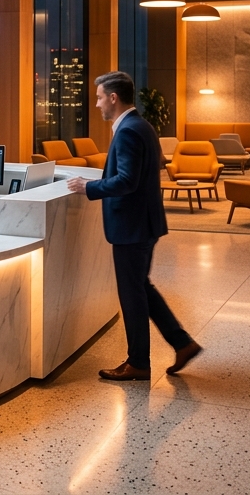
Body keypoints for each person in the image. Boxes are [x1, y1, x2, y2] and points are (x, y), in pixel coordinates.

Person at [67, 72, 201, 381]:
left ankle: (139, 363)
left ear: (113, 98)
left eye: (100, 97)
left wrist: (89, 187)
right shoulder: (142, 126)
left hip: (132, 227)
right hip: (144, 224)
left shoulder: (127, 130)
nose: (98, 103)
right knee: (141, 287)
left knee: (132, 294)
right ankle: (182, 343)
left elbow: (127, 181)